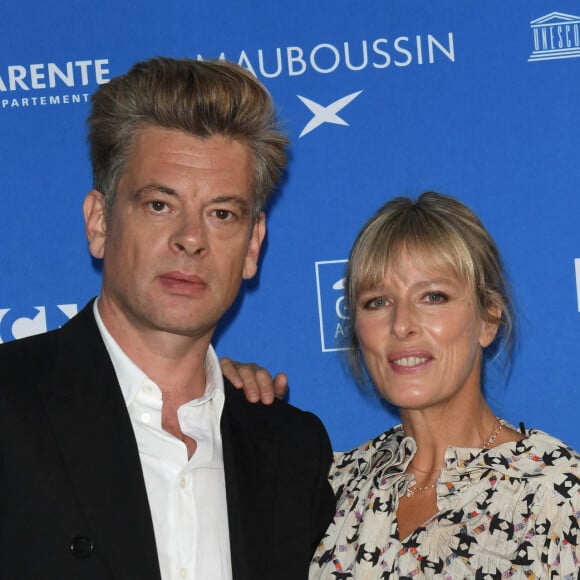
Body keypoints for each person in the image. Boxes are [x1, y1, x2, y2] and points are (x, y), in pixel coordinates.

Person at [0, 57, 335, 580]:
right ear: (100, 222)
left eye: (222, 213)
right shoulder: (11, 407)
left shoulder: (291, 451)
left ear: (253, 246)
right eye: (160, 205)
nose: (191, 238)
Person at [223, 192, 580, 578]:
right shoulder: (331, 485)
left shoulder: (560, 495)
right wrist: (219, 402)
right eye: (377, 302)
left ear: (488, 320)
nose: (401, 324)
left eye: (433, 296)